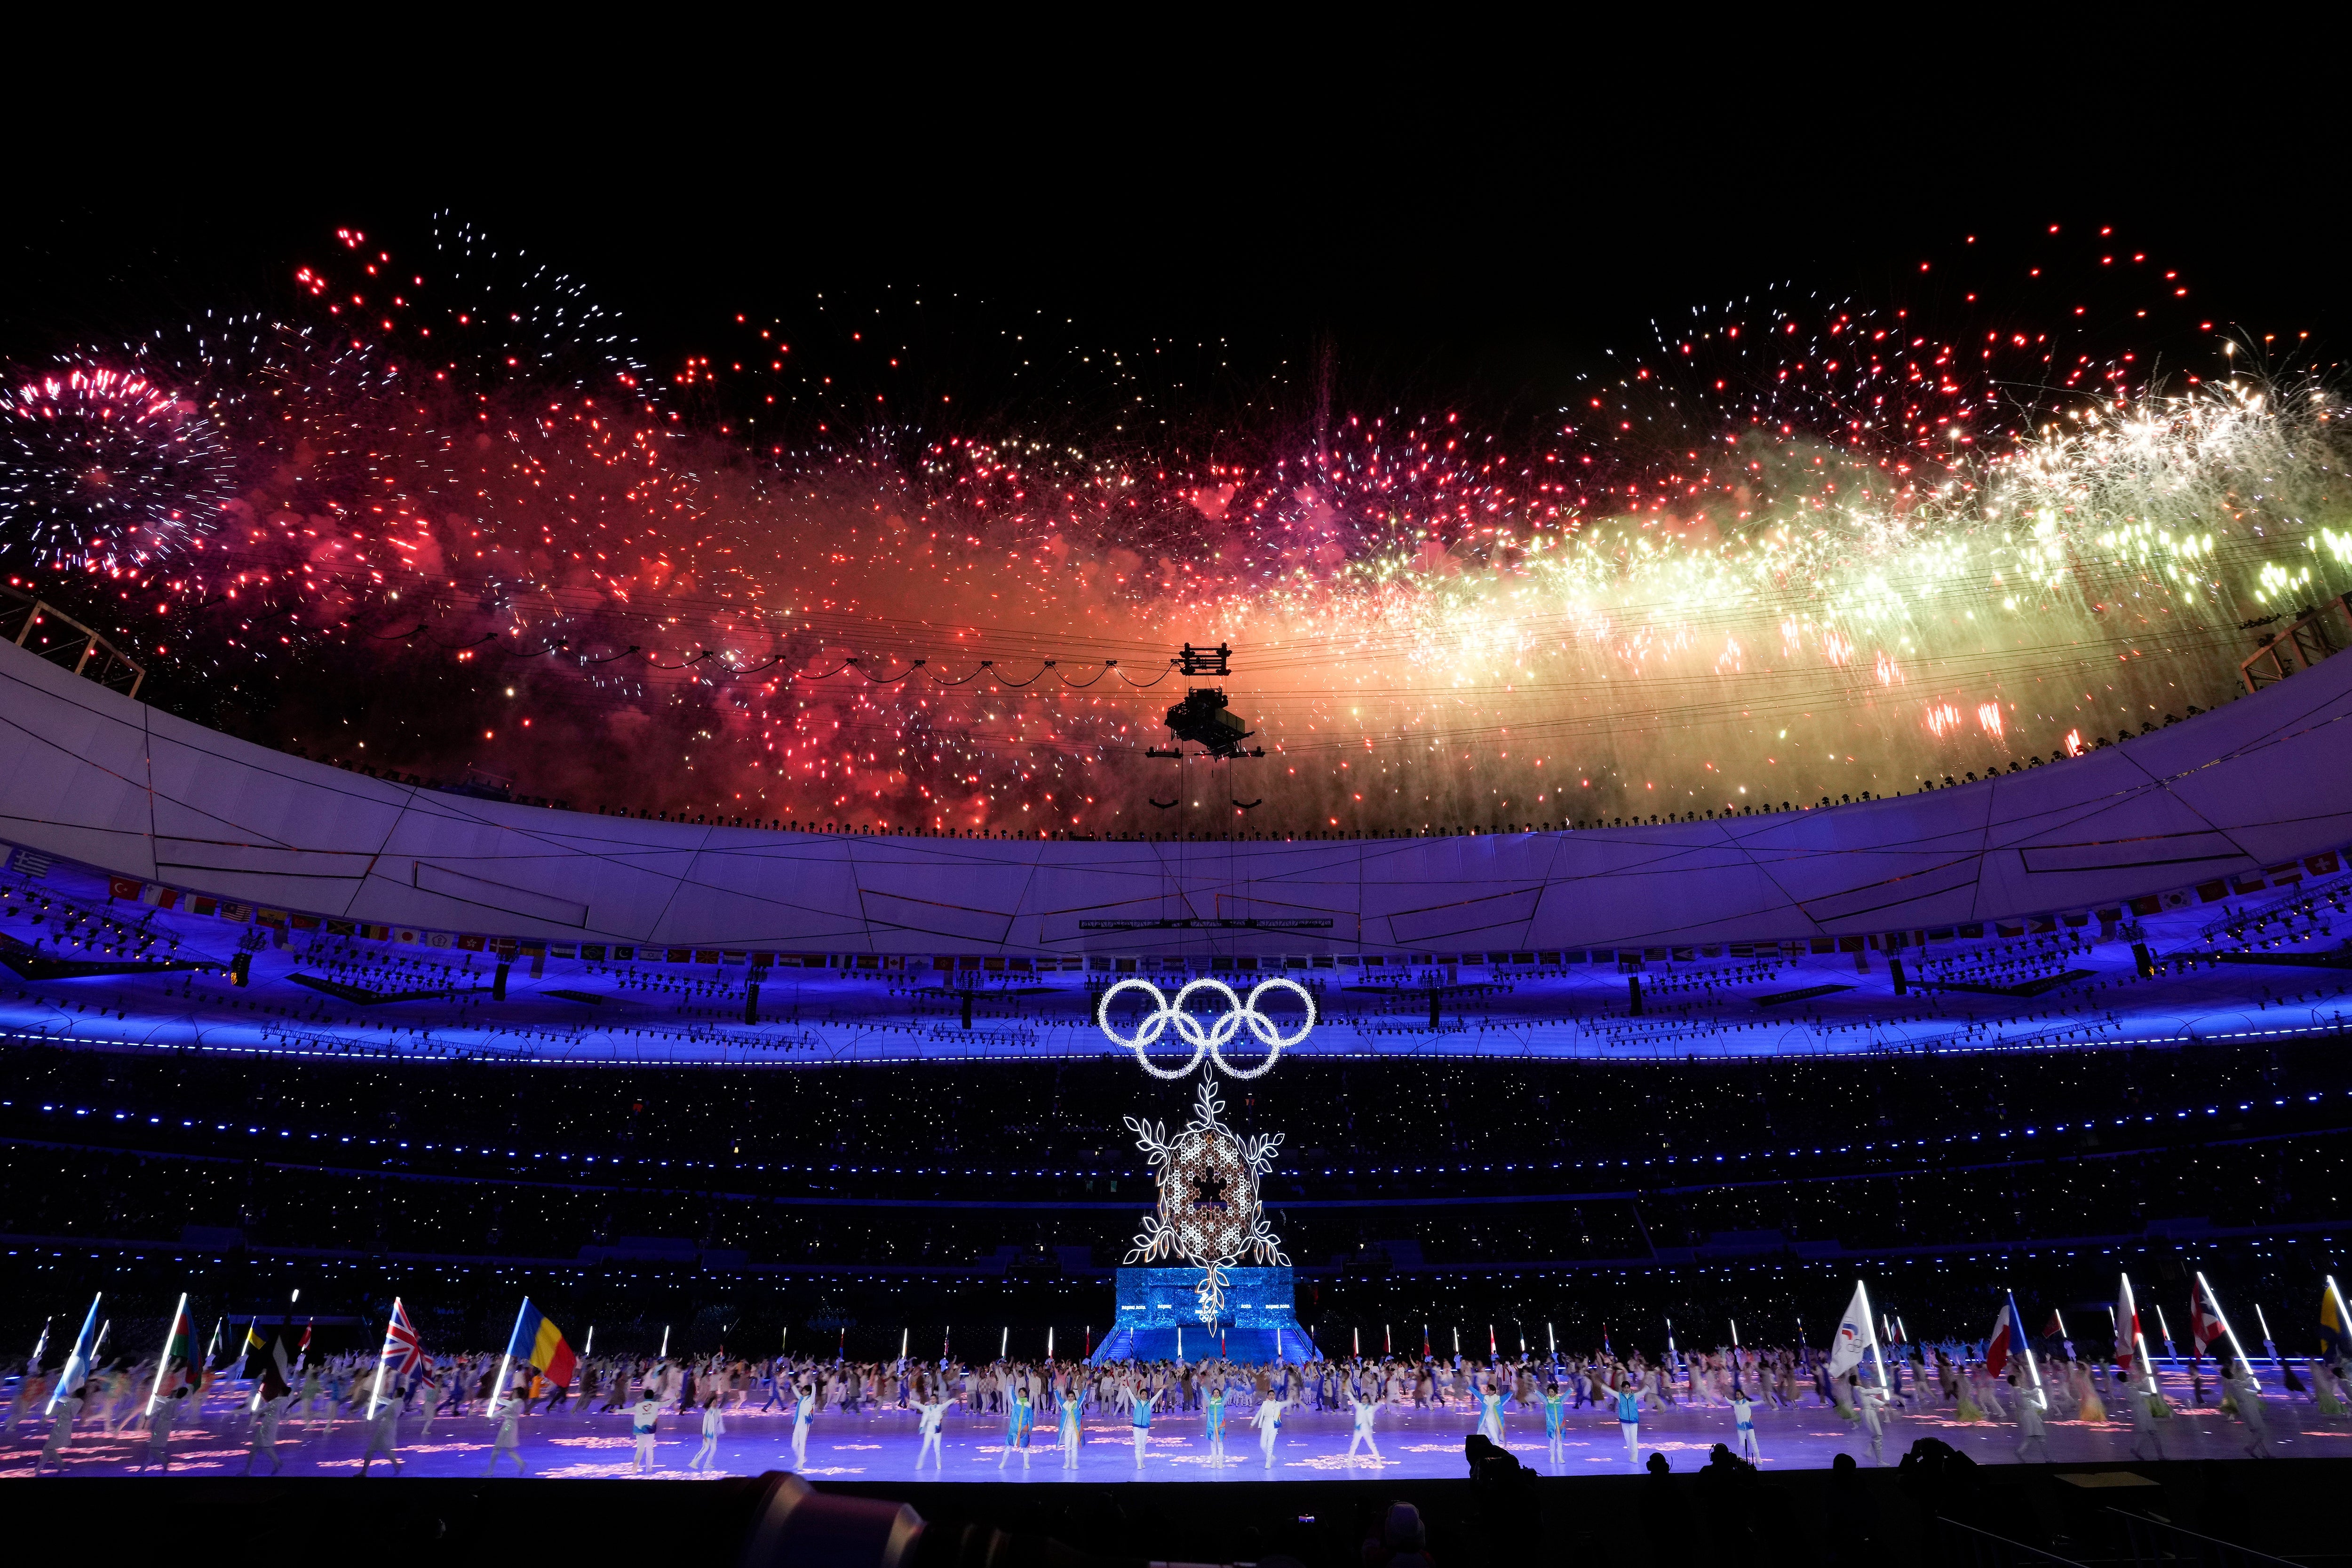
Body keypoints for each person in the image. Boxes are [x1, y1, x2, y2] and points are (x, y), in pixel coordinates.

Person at [34, 1383, 87, 1475]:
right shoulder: (78, 1403)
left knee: (48, 1448)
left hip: (60, 1428)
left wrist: (45, 1417)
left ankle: (38, 1470)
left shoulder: (70, 1404)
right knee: (50, 1448)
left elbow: (57, 1410)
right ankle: (60, 1465)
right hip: (64, 1427)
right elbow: (63, 1402)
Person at [135, 1382, 189, 1472]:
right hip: (167, 1426)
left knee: (153, 1448)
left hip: (161, 1426)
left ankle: (165, 1461)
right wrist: (157, 1397)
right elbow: (166, 1403)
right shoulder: (178, 1402)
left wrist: (149, 1416)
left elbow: (160, 1409)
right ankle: (141, 1471)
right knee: (154, 1450)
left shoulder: (171, 1403)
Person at [2230, 1359, 2273, 1459]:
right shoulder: (2234, 1382)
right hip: (2248, 1407)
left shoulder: (2235, 1381)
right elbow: (2241, 1387)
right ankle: (2250, 1448)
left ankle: (2266, 1454)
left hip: (2248, 1405)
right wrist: (2251, 1379)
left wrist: (2255, 1391)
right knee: (2259, 1431)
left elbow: (2242, 1389)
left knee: (2256, 1433)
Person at [245, 1386, 294, 1474]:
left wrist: (254, 1412)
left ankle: (248, 1471)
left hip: (267, 1426)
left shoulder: (277, 1402)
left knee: (260, 1447)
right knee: (264, 1446)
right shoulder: (285, 1402)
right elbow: (274, 1412)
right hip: (273, 1425)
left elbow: (266, 1409)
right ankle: (277, 1462)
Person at [360, 1386, 405, 1476]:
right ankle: (397, 1466)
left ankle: (364, 1472)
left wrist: (371, 1420)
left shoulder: (394, 1405)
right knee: (386, 1450)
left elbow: (383, 1413)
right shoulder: (399, 1403)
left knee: (371, 1450)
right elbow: (389, 1403)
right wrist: (379, 1398)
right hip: (390, 1428)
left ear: (397, 1393)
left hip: (384, 1429)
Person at [483, 1389, 527, 1475]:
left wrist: (491, 1418)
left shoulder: (515, 1403)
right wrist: (498, 1399)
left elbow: (505, 1411)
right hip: (512, 1426)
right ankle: (521, 1463)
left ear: (517, 1394)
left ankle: (490, 1471)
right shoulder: (520, 1402)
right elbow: (508, 1404)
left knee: (497, 1448)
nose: (513, 1394)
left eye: (514, 1393)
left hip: (508, 1427)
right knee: (509, 1449)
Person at [1124, 1378, 1160, 1468]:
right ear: (1140, 1396)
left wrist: (1162, 1390)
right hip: (1136, 1427)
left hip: (1145, 1427)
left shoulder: (1149, 1404)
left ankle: (1142, 1461)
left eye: (1145, 1394)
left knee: (1143, 1445)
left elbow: (1156, 1398)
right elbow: (1131, 1396)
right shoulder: (1137, 1403)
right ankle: (1139, 1463)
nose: (1144, 1395)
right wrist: (1127, 1387)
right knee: (1138, 1445)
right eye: (1143, 1394)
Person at [2013, 1375, 2050, 1463]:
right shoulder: (2021, 1392)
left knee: (2030, 1438)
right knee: (2041, 1438)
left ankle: (2020, 1452)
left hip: (2027, 1417)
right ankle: (2048, 1459)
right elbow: (2031, 1393)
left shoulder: (2017, 1393)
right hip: (2031, 1417)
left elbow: (2030, 1401)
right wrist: (2038, 1389)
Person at [1253, 1387, 1292, 1468]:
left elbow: (1287, 1403)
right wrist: (1252, 1424)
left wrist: (1292, 1398)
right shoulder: (1264, 1404)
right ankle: (1271, 1456)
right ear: (1268, 1396)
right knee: (1263, 1445)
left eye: (1273, 1395)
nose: (1272, 1396)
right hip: (1265, 1425)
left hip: (1274, 1426)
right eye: (1270, 1395)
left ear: (1275, 1396)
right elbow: (1259, 1414)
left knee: (1270, 1444)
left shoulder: (1278, 1404)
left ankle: (1268, 1463)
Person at [915, 1389, 953, 1469]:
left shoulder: (939, 1407)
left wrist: (954, 1399)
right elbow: (919, 1406)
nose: (932, 1400)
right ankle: (919, 1465)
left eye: (934, 1399)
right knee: (925, 1448)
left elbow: (948, 1403)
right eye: (931, 1399)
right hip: (928, 1431)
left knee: (937, 1449)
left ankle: (939, 1465)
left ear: (936, 1400)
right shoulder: (927, 1408)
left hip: (937, 1431)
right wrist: (911, 1402)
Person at [1347, 1380, 1383, 1462]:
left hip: (1367, 1429)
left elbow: (1377, 1406)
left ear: (1368, 1400)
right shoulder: (1359, 1406)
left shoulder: (1371, 1408)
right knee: (1354, 1446)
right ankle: (1349, 1462)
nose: (1364, 1400)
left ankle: (1379, 1461)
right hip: (1358, 1429)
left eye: (1366, 1399)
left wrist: (1382, 1401)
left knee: (1372, 1445)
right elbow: (1353, 1399)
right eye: (1363, 1399)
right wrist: (1348, 1392)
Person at [688, 1393, 724, 1471]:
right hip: (708, 1435)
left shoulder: (717, 1413)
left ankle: (708, 1463)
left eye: (716, 1402)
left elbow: (718, 1423)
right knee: (705, 1448)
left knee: (714, 1449)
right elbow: (705, 1425)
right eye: (714, 1403)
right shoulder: (708, 1414)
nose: (715, 1404)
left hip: (714, 1435)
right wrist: (704, 1434)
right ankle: (694, 1462)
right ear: (711, 1404)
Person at [631, 1391, 662, 1473]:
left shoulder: (638, 1406)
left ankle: (636, 1465)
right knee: (650, 1449)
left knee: (640, 1449)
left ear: (644, 1396)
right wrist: (675, 1398)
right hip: (650, 1430)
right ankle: (649, 1468)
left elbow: (627, 1410)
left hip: (639, 1429)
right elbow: (667, 1403)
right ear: (652, 1397)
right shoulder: (656, 1404)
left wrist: (616, 1411)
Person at [1056, 1383, 1084, 1470]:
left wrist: (1086, 1387)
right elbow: (1059, 1399)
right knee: (1067, 1448)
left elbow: (1082, 1397)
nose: (1071, 1398)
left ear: (1074, 1397)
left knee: (1075, 1447)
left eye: (1072, 1397)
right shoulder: (1065, 1405)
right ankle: (1067, 1463)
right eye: (1069, 1397)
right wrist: (1055, 1390)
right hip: (1067, 1429)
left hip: (1076, 1429)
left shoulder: (1077, 1405)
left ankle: (1074, 1464)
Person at [1615, 1376, 1643, 1464]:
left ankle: (1635, 1457)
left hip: (1634, 1421)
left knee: (1634, 1439)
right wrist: (1602, 1386)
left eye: (1628, 1387)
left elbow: (1644, 1391)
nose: (1627, 1389)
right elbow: (1610, 1391)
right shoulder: (1620, 1396)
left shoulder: (1634, 1396)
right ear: (1623, 1389)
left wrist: (1650, 1386)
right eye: (1625, 1388)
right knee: (1628, 1440)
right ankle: (1631, 1455)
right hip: (1624, 1422)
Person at [1729, 1386, 1760, 1464]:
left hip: (1749, 1427)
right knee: (1742, 1443)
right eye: (1736, 1395)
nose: (1737, 1396)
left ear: (1742, 1395)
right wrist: (1724, 1396)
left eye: (1738, 1394)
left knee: (1754, 1442)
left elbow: (1756, 1403)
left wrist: (1764, 1401)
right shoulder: (1735, 1404)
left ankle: (1758, 1458)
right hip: (1741, 1427)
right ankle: (1738, 1456)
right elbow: (1729, 1401)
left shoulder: (1747, 1403)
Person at [791, 1380, 817, 1471]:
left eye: (804, 1390)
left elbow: (814, 1392)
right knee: (794, 1445)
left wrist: (813, 1383)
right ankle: (802, 1459)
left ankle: (800, 1463)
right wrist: (792, 1383)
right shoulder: (801, 1399)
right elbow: (796, 1392)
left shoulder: (811, 1400)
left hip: (805, 1425)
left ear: (808, 1392)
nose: (802, 1392)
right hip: (798, 1424)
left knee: (802, 1444)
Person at [1541, 1381, 1567, 1466]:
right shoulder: (1547, 1401)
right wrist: (1536, 1392)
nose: (1551, 1393)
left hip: (1560, 1424)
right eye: (1549, 1392)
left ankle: (1560, 1457)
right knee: (1552, 1440)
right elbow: (1541, 1397)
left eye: (1552, 1392)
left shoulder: (1560, 1401)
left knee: (1560, 1440)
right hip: (1551, 1424)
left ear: (1555, 1392)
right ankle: (1552, 1456)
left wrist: (1571, 1390)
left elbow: (1566, 1396)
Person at [1204, 1377, 1228, 1466]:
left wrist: (1231, 1389)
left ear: (1220, 1394)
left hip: (1220, 1427)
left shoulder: (1222, 1402)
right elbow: (1205, 1394)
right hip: (1211, 1428)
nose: (1216, 1394)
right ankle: (1214, 1462)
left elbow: (1228, 1395)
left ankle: (1221, 1463)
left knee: (1220, 1446)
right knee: (1213, 1446)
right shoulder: (1210, 1402)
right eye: (1214, 1393)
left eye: (1217, 1393)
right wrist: (1203, 1387)